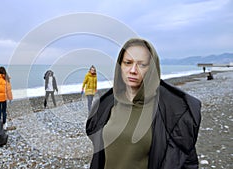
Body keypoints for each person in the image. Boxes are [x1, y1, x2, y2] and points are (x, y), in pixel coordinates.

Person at [86, 38, 201, 169]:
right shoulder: (105, 105)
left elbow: (186, 161)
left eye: (142, 65)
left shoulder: (173, 111)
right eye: (128, 63)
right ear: (120, 65)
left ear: (152, 68)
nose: (133, 70)